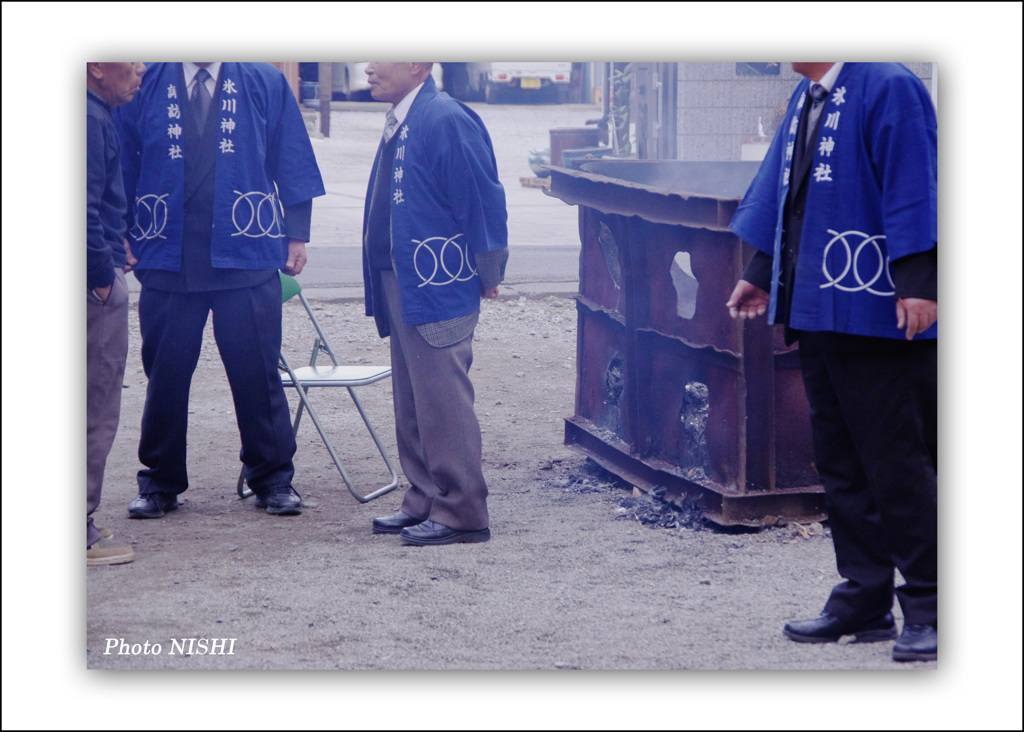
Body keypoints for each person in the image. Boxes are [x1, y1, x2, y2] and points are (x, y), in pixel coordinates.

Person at [727, 63, 937, 662]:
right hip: (821, 303)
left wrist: (921, 281)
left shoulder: (887, 83)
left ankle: (931, 603)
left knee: (899, 462)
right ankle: (865, 595)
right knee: (841, 463)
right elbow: (787, 196)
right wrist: (763, 273)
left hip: (880, 308)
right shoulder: (810, 93)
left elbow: (916, 181)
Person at [115, 63, 325, 518]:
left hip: (244, 252)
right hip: (169, 252)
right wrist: (120, 232)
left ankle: (272, 478)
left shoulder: (263, 81)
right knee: (165, 373)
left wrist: (297, 233)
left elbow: (290, 154)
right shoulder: (145, 81)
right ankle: (160, 480)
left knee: (257, 371)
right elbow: (120, 160)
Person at [361, 63, 508, 546]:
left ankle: (463, 509)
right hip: (401, 275)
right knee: (413, 397)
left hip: (436, 275)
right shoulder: (405, 116)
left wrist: (490, 270)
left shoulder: (444, 116)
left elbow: (482, 199)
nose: (368, 66)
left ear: (418, 62)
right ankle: (424, 496)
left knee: (443, 396)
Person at [87, 62, 147, 565]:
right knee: (92, 404)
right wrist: (102, 277)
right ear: (96, 65)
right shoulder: (87, 118)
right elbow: (80, 208)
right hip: (92, 286)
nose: (142, 67)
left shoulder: (93, 113)